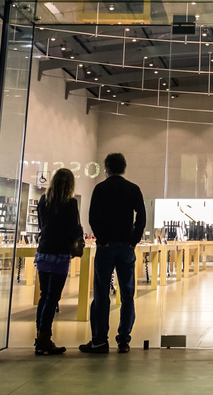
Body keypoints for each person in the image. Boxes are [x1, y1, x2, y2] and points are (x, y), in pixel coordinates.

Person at [81, 152, 146, 354]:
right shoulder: (133, 189)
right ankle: (124, 340)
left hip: (106, 248)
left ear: (107, 168)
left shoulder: (100, 188)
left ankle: (100, 339)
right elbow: (141, 217)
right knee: (127, 294)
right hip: (126, 247)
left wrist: (101, 239)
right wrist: (133, 241)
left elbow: (93, 217)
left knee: (101, 293)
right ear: (124, 168)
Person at [33, 168, 82, 355]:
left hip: (44, 251)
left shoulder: (44, 201)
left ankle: (40, 336)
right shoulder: (70, 203)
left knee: (44, 295)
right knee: (53, 296)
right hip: (60, 253)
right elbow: (73, 229)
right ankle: (44, 338)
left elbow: (40, 225)